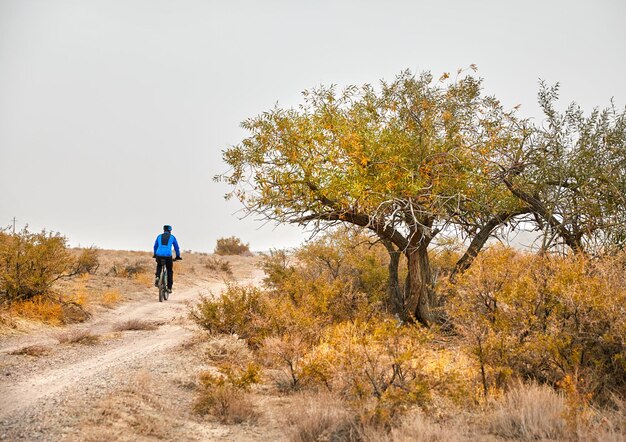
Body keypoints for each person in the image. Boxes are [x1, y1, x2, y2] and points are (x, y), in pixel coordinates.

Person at [153, 225, 181, 293]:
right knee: (169, 270)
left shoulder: (159, 236)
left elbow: (155, 246)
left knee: (159, 265)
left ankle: (157, 277)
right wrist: (177, 256)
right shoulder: (172, 237)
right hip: (168, 255)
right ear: (170, 230)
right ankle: (169, 287)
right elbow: (176, 248)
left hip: (159, 254)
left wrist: (155, 254)